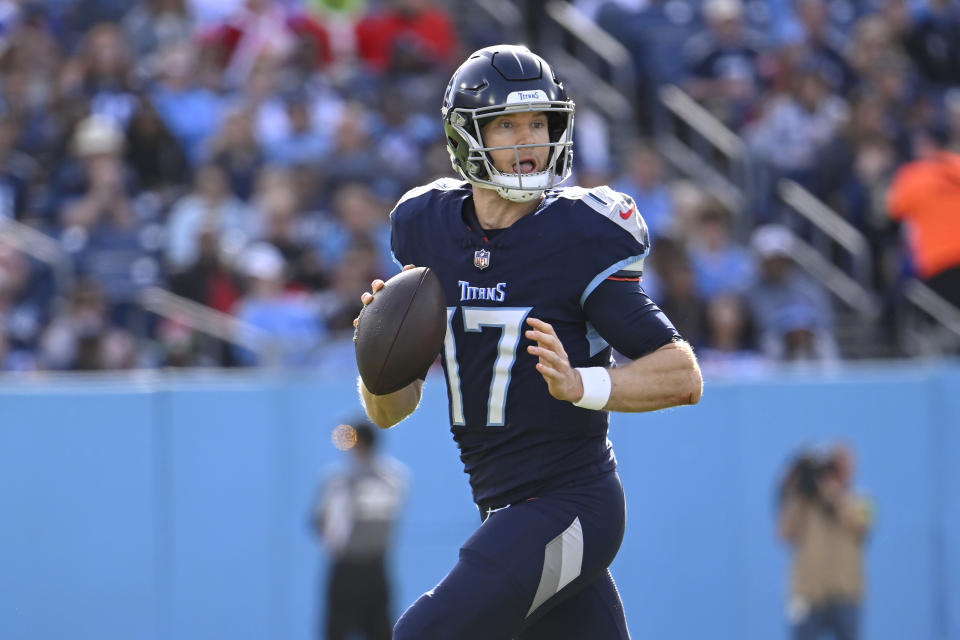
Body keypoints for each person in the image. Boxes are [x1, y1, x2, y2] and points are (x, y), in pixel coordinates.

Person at [354, 45, 703, 640]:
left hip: (572, 503)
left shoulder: (578, 235)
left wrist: (584, 385)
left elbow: (682, 374)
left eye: (538, 123)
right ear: (468, 137)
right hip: (503, 509)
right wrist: (379, 355)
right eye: (507, 125)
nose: (528, 141)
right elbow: (389, 412)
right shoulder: (428, 228)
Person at [312, 418, 409, 640]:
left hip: (347, 569)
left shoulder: (339, 481)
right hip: (377, 568)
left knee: (338, 632)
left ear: (361, 444)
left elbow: (323, 526)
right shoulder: (395, 479)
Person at [777, 444, 873, 640]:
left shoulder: (863, 500)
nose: (838, 472)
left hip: (845, 594)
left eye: (843, 465)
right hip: (809, 593)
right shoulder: (805, 504)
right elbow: (784, 534)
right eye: (833, 466)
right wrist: (792, 490)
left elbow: (863, 525)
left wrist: (832, 493)